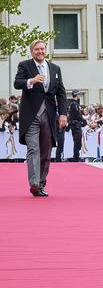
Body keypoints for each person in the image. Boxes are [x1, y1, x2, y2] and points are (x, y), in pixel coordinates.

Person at [13, 40, 68, 197]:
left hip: (49, 115)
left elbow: (61, 93)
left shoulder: (55, 68)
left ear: (46, 50)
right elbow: (17, 83)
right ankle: (34, 183)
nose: (40, 51)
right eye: (37, 49)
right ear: (32, 51)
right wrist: (31, 81)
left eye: (42, 49)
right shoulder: (24, 65)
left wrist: (63, 114)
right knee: (33, 149)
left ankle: (42, 183)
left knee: (45, 151)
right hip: (31, 115)